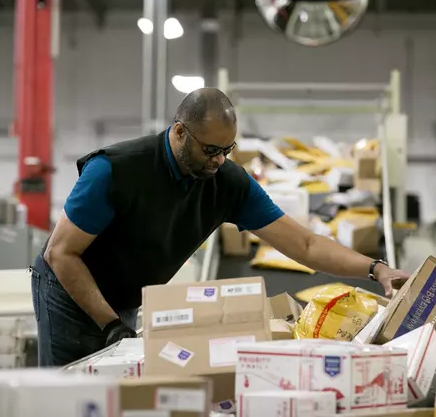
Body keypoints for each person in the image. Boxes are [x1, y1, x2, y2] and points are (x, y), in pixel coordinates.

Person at [31, 88, 410, 367]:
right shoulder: (115, 171)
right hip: (68, 289)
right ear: (179, 132)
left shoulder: (228, 182)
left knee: (113, 385)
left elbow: (306, 245)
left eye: (227, 150)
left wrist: (375, 269)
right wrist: (110, 323)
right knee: (68, 388)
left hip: (124, 297)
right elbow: (61, 253)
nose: (218, 160)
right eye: (210, 150)